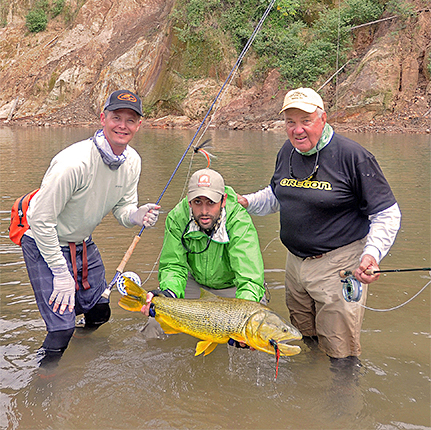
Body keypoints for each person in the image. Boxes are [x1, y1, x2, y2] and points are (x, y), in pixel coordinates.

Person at [237, 87, 401, 363]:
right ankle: (309, 386)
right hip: (295, 264)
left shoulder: (353, 156)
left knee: (341, 350)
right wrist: (246, 202)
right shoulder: (287, 151)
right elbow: (277, 195)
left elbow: (387, 214)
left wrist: (371, 254)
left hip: (339, 266)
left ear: (323, 119)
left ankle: (342, 398)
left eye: (306, 121)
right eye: (290, 122)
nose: (297, 130)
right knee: (301, 336)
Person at [22, 89, 160, 367]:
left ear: (139, 125)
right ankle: (43, 382)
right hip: (43, 242)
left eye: (130, 120)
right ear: (102, 118)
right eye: (116, 117)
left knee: (100, 311)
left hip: (82, 241)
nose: (123, 125)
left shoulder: (132, 161)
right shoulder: (73, 163)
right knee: (61, 329)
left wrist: (135, 214)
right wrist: (61, 272)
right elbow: (39, 219)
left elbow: (122, 208)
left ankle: (83, 351)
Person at [141, 169, 266, 345]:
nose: (204, 211)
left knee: (254, 335)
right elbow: (173, 266)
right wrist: (169, 292)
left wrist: (240, 321)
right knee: (155, 323)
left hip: (233, 287)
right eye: (197, 202)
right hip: (195, 282)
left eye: (211, 202)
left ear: (223, 201)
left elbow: (250, 278)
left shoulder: (239, 221)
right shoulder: (177, 217)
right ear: (189, 200)